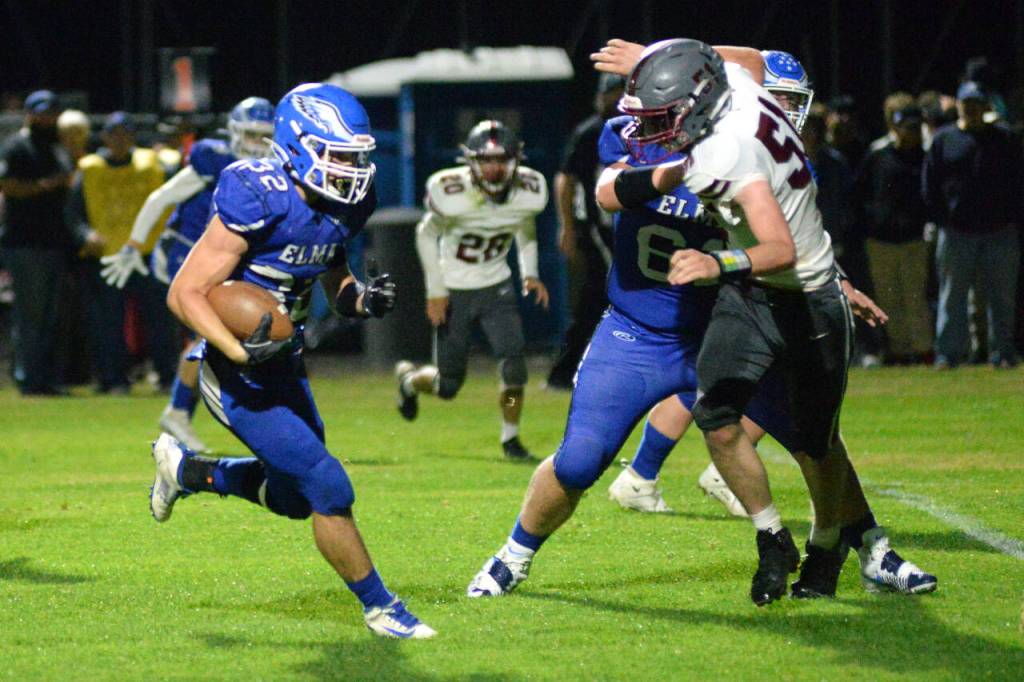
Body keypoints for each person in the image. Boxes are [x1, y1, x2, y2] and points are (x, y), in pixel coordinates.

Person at [594, 39, 935, 603]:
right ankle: (782, 536)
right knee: (722, 414)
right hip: (748, 295)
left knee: (816, 441)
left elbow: (783, 244)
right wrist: (662, 57)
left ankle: (849, 547)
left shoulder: (728, 151)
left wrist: (716, 261)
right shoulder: (750, 102)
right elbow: (749, 61)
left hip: (794, 295)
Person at [149, 83, 434, 639]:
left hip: (284, 360)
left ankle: (184, 471)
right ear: (299, 146)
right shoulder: (256, 193)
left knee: (293, 499)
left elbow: (333, 271)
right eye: (340, 155)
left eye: (357, 157)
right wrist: (237, 348)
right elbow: (185, 293)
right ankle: (381, 606)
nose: (353, 170)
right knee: (329, 487)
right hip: (234, 373)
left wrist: (359, 298)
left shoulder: (345, 204)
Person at [608, 49, 821, 517]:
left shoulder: (748, 140)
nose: (785, 110)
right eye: (778, 98)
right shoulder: (728, 145)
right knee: (761, 381)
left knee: (708, 384)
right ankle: (675, 474)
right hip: (721, 279)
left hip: (721, 274)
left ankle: (644, 475)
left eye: (791, 101)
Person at [100, 97, 275, 450]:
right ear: (236, 132)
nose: (257, 143)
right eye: (251, 134)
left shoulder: (271, 170)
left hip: (217, 259)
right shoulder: (215, 158)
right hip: (182, 252)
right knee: (213, 333)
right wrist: (135, 244)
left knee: (214, 338)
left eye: (264, 136)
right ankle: (180, 412)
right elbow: (161, 198)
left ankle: (182, 413)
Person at [395, 120, 550, 460]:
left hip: (497, 287)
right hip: (455, 290)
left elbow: (525, 225)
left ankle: (511, 437)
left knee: (514, 369)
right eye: (486, 160)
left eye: (502, 160)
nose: (494, 168)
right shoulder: (450, 191)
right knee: (447, 386)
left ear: (516, 160)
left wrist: (531, 272)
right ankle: (409, 380)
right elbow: (425, 234)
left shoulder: (529, 190)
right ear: (470, 161)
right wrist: (435, 290)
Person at [65, 112, 179, 394]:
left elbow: (177, 201)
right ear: (104, 137)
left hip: (148, 253)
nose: (119, 139)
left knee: (160, 320)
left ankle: (167, 377)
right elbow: (72, 212)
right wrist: (85, 235)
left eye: (125, 133)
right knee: (108, 323)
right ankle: (113, 380)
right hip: (109, 255)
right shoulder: (89, 169)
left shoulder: (154, 165)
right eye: (113, 134)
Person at [924, 81, 1021, 369]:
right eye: (968, 104)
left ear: (985, 106)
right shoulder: (944, 140)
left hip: (999, 230)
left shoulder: (1004, 138)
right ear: (960, 106)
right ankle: (948, 354)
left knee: (1001, 298)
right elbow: (930, 185)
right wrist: (942, 219)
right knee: (952, 296)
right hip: (957, 231)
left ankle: (1002, 353)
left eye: (977, 104)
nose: (973, 109)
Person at [544, 73, 623, 390]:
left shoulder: (643, 130)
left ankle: (575, 370)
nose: (617, 102)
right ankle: (565, 371)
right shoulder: (592, 132)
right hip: (600, 228)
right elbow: (566, 179)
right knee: (599, 297)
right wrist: (567, 226)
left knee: (606, 299)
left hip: (629, 227)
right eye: (613, 94)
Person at [0, 90, 77, 395]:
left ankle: (47, 379)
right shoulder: (16, 146)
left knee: (51, 318)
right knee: (30, 316)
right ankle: (29, 379)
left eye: (50, 113)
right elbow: (6, 184)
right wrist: (46, 186)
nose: (45, 118)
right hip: (25, 243)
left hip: (54, 242)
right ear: (29, 114)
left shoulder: (58, 147)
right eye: (40, 113)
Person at [857, 97, 932, 364]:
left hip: (913, 239)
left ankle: (923, 350)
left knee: (915, 298)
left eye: (913, 127)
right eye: (904, 126)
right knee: (889, 298)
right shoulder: (878, 155)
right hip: (880, 241)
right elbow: (861, 194)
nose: (909, 132)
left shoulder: (925, 157)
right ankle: (899, 350)